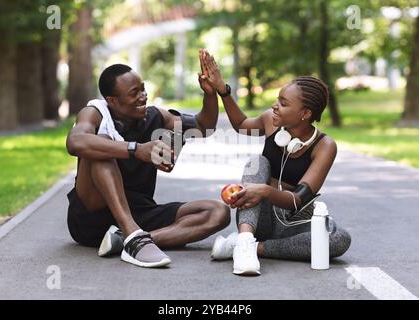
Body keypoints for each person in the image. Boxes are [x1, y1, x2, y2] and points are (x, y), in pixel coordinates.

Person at [65, 51, 230, 268]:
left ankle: (131, 241)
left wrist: (210, 94)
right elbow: (75, 143)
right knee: (100, 144)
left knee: (218, 212)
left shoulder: (155, 117)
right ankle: (133, 235)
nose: (143, 96)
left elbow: (204, 127)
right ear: (112, 101)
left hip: (140, 212)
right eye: (134, 93)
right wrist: (136, 149)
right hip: (91, 216)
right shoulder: (95, 113)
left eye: (143, 89)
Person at [200, 50, 351, 276]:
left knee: (339, 239)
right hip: (260, 217)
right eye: (277, 100)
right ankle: (245, 240)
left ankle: (251, 248)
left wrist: (265, 191)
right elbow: (241, 123)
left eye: (283, 102)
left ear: (305, 113)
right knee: (257, 162)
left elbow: (298, 200)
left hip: (292, 220)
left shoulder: (324, 145)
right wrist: (223, 90)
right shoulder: (271, 122)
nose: (275, 106)